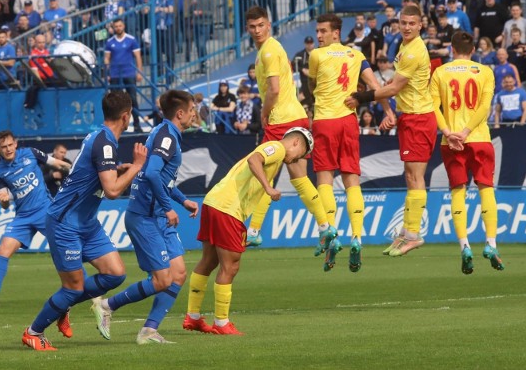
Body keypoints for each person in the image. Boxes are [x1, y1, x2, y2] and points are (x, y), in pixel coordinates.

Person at [22, 91, 147, 351]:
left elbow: (96, 176)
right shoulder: (105, 142)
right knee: (73, 287)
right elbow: (112, 192)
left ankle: (64, 304)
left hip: (86, 222)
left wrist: (119, 168)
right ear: (126, 116)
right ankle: (33, 332)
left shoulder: (99, 136)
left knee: (115, 274)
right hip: (65, 221)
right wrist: (136, 166)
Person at [92, 90, 198, 344]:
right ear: (180, 113)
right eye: (192, 109)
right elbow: (151, 173)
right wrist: (168, 206)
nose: (195, 113)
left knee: (179, 274)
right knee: (163, 279)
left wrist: (181, 200)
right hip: (146, 217)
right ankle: (107, 305)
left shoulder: (166, 134)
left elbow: (162, 179)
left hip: (158, 215)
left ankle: (149, 330)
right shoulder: (167, 137)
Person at [183, 127, 313, 335]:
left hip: (214, 201)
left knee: (208, 261)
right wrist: (268, 188)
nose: (299, 159)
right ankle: (222, 322)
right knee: (231, 265)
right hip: (227, 207)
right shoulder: (278, 148)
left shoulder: (275, 156)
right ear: (296, 143)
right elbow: (255, 160)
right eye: (303, 154)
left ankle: (194, 317)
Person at [243, 7, 335, 266]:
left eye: (261, 25)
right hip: (293, 117)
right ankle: (325, 226)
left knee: (262, 173)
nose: (257, 30)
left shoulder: (269, 51)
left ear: (269, 25)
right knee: (299, 178)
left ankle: (254, 231)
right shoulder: (267, 49)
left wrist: (264, 112)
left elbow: (273, 89)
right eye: (252, 26)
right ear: (248, 29)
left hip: (281, 120)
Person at [348, 4, 436, 257]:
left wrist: (361, 97)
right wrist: (394, 113)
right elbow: (397, 84)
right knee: (409, 176)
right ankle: (406, 232)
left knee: (416, 177)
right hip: (410, 117)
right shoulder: (404, 46)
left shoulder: (413, 51)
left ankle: (413, 234)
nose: (406, 27)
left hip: (419, 118)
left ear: (420, 25)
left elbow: (394, 89)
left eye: (411, 23)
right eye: (403, 23)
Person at [308, 13, 394, 271]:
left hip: (324, 121)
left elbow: (313, 85)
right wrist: (388, 111)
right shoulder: (357, 56)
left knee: (325, 179)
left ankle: (331, 232)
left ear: (336, 32)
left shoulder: (316, 56)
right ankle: (357, 237)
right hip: (348, 121)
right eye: (318, 31)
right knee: (351, 181)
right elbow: (375, 85)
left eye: (323, 31)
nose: (319, 36)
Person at [429, 31, 505, 275]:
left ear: (452, 49)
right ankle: (491, 244)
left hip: (450, 142)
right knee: (486, 189)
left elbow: (433, 107)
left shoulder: (441, 72)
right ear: (473, 51)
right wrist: (467, 131)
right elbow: (485, 106)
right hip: (479, 138)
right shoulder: (484, 72)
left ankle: (464, 246)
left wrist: (449, 132)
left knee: (458, 193)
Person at [0, 131, 71, 309]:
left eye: (10, 145)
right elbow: (4, 201)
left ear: (15, 143)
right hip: (22, 216)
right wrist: (4, 201)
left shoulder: (30, 153)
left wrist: (70, 169)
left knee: (66, 248)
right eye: (3, 147)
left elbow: (57, 163)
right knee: (3, 250)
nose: (8, 149)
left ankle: (91, 292)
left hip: (45, 210)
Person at [104, 19, 144, 133]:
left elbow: (138, 56)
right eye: (116, 26)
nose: (118, 28)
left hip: (129, 73)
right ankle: (116, 126)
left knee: (133, 99)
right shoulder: (110, 42)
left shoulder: (131, 40)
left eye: (120, 26)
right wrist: (107, 73)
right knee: (115, 101)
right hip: (115, 74)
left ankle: (137, 124)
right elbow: (107, 58)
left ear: (124, 26)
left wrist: (139, 72)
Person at [292, 36, 315, 107]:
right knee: (305, 103)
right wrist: (302, 69)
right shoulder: (300, 55)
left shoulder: (318, 53)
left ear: (313, 43)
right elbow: (293, 64)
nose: (309, 45)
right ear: (305, 44)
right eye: (307, 43)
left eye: (311, 43)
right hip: (304, 83)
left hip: (316, 81)